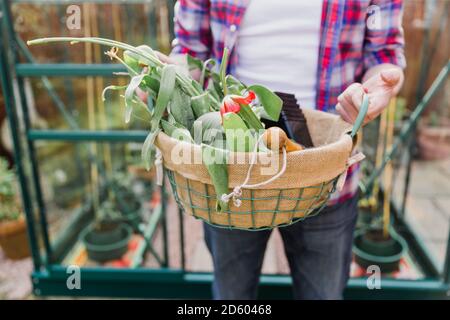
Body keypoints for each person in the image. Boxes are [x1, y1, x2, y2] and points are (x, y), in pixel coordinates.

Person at [153, 0, 405, 299]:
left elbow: (384, 53)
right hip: (232, 170)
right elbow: (191, 52)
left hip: (326, 167)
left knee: (322, 294)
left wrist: (377, 86)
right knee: (232, 295)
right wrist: (165, 79)